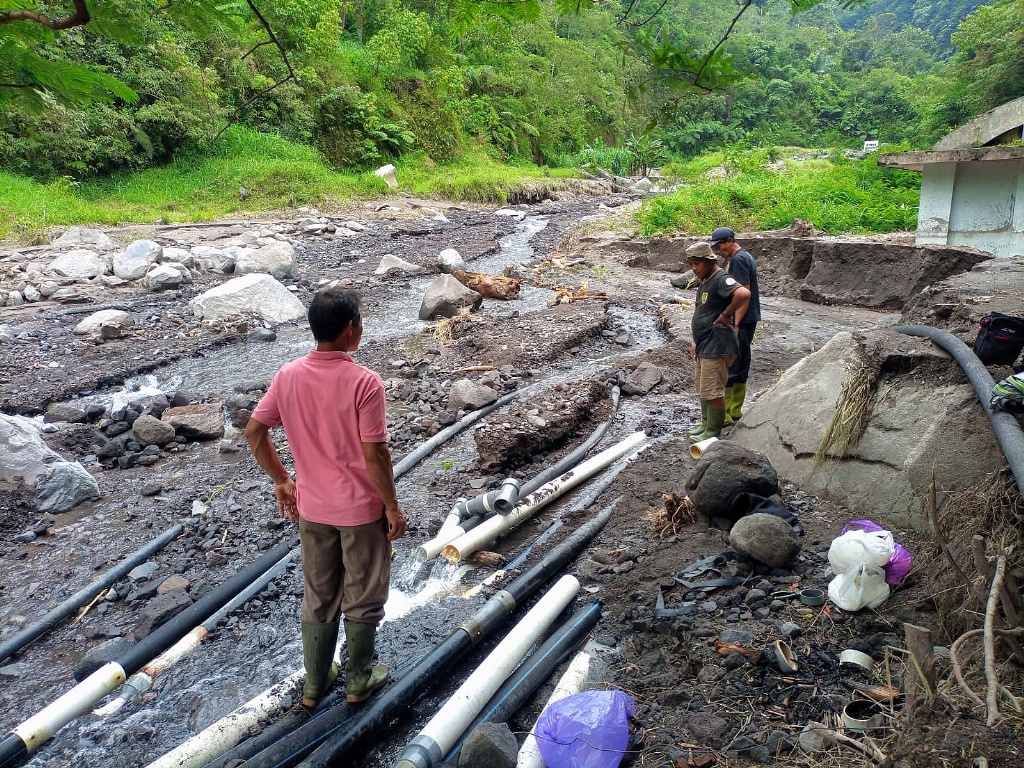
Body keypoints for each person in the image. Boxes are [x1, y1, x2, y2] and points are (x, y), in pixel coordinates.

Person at [245, 288, 406, 710]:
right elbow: (375, 452)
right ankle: (358, 680)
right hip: (359, 510)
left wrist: (282, 479)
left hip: (311, 509)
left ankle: (315, 685)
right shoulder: (364, 382)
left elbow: (254, 431)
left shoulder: (287, 375)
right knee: (365, 593)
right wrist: (391, 505)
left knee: (318, 593)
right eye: (361, 321)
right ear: (351, 329)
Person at [685, 242, 751, 442]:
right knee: (704, 387)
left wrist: (726, 315)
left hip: (718, 345)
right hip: (705, 343)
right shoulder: (706, 280)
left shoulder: (722, 279)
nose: (694, 268)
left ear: (709, 261)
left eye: (697, 263)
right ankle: (705, 424)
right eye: (692, 264)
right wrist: (696, 340)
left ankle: (713, 431)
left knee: (713, 390)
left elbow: (743, 293)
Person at [710, 226, 760, 424]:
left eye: (720, 245)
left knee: (733, 364)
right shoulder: (746, 256)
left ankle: (728, 414)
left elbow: (743, 293)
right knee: (742, 361)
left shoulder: (738, 260)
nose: (718, 250)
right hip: (750, 318)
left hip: (742, 319)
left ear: (730, 240)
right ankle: (736, 410)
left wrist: (735, 321)